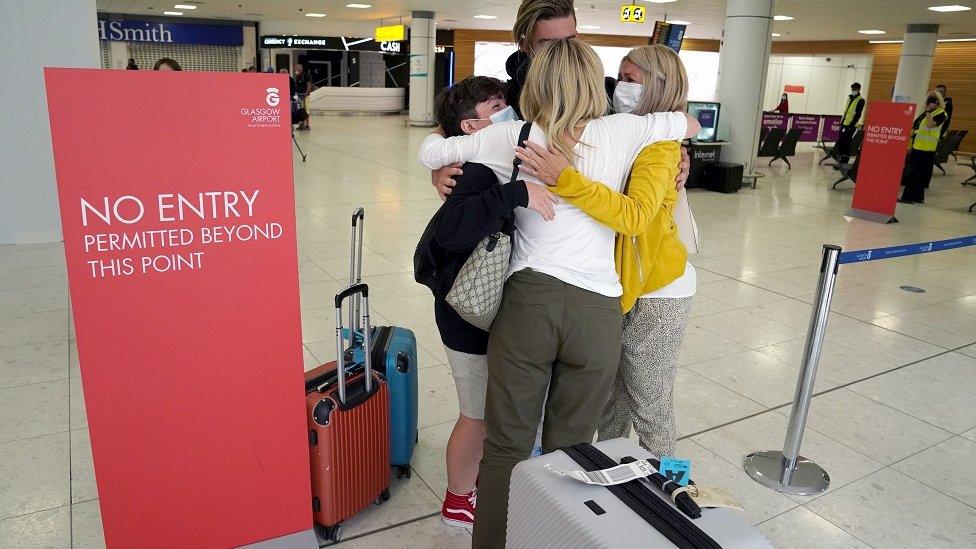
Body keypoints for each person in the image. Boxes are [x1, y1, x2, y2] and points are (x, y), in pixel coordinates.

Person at [418, 39, 699, 548]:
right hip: (599, 314)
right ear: (598, 83)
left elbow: (433, 149)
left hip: (528, 306)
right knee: (572, 451)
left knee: (506, 448)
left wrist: (442, 168)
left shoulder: (517, 135)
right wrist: (678, 155)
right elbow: (686, 122)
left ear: (536, 84)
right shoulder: (626, 131)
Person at [514, 44, 694, 459]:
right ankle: (612, 481)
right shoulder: (616, 129)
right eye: (621, 76)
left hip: (657, 290)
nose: (621, 87)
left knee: (649, 403)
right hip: (620, 284)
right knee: (609, 402)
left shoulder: (661, 146)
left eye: (632, 79)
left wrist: (566, 179)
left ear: (658, 87)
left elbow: (634, 218)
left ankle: (673, 496)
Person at [416, 76, 557, 532]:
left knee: (484, 410)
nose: (507, 110)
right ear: (471, 125)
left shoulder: (488, 156)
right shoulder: (476, 167)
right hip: (465, 306)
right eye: (496, 105)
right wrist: (516, 194)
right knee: (475, 413)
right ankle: (458, 503)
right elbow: (452, 230)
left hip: (479, 299)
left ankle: (472, 488)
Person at [430, 0, 690, 201]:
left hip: (599, 221)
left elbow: (653, 131)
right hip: (524, 228)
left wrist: (673, 157)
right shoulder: (503, 99)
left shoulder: (604, 91)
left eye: (569, 41)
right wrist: (439, 169)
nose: (562, 52)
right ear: (526, 44)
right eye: (548, 44)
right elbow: (450, 126)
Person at [899, 91, 948, 204]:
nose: (930, 102)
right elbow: (915, 127)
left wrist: (929, 111)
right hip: (917, 146)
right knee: (919, 174)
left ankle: (907, 198)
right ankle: (918, 197)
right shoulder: (924, 113)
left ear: (938, 101)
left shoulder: (941, 113)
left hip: (927, 148)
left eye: (933, 100)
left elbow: (930, 125)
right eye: (929, 100)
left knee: (914, 173)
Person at [834, 82, 865, 167]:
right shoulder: (849, 98)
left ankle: (844, 163)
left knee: (846, 144)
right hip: (844, 124)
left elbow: (858, 115)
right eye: (852, 89)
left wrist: (851, 126)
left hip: (850, 127)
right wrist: (841, 123)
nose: (853, 90)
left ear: (858, 89)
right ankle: (839, 161)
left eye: (854, 89)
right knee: (841, 143)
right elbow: (846, 112)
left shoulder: (860, 100)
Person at [294, 63, 312, 130]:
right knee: (300, 110)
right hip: (299, 95)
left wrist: (306, 94)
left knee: (306, 110)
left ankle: (307, 125)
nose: (295, 70)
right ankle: (301, 124)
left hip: (304, 96)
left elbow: (309, 85)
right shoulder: (298, 76)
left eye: (296, 68)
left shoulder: (305, 75)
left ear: (300, 69)